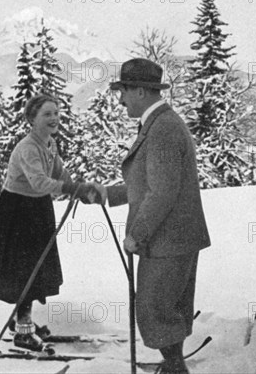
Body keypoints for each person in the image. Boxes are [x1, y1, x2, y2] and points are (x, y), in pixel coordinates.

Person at [93, 58, 210, 374]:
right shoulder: (159, 124)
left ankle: (174, 368)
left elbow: (162, 193)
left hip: (168, 239)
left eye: (124, 91)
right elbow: (147, 184)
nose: (120, 100)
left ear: (142, 91)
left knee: (154, 308)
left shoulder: (163, 128)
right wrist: (106, 194)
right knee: (164, 308)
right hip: (173, 237)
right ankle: (173, 365)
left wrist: (137, 235)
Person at [0, 94, 100, 352]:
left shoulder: (49, 143)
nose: (54, 118)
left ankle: (22, 321)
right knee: (24, 271)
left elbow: (58, 174)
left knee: (37, 267)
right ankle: (23, 330)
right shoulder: (28, 148)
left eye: (56, 113)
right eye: (47, 114)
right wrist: (70, 188)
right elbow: (39, 182)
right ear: (32, 119)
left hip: (37, 210)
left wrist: (79, 189)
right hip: (18, 213)